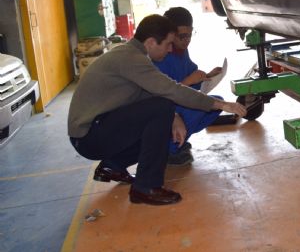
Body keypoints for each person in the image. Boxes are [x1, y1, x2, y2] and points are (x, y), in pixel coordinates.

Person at [67, 14, 247, 206]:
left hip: (93, 131)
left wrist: (174, 116)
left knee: (161, 114)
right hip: (89, 137)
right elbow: (170, 90)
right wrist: (220, 104)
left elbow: (148, 95)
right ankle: (146, 187)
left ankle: (114, 166)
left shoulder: (131, 54)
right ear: (152, 42)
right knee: (162, 108)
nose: (170, 49)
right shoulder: (131, 59)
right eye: (168, 44)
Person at [155, 7, 236, 165]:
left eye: (190, 35)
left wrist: (208, 76)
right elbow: (160, 93)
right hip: (165, 107)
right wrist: (190, 81)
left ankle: (178, 140)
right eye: (182, 36)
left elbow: (191, 78)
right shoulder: (161, 56)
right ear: (169, 35)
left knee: (217, 103)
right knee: (196, 110)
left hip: (179, 102)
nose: (187, 40)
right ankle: (170, 150)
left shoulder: (182, 52)